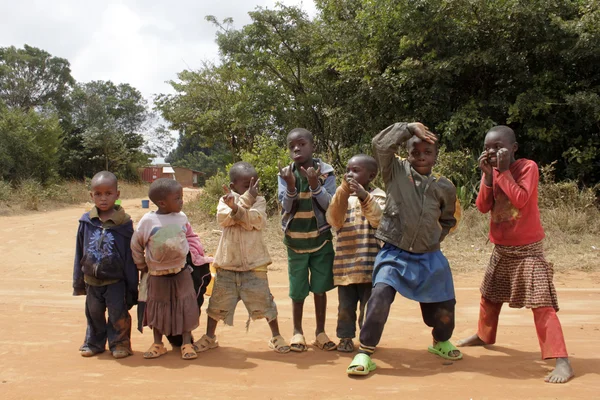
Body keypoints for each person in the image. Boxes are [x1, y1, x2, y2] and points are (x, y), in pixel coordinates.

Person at [457, 125, 574, 384]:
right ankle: (484, 336)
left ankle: (561, 359)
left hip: (528, 251)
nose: (492, 151)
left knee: (542, 304)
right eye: (487, 147)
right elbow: (482, 206)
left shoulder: (527, 167)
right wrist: (487, 177)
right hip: (502, 248)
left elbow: (520, 199)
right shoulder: (493, 171)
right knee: (489, 296)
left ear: (514, 148)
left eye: (498, 147)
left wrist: (504, 172)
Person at [347, 122, 461, 376]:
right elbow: (380, 144)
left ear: (436, 155)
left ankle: (440, 341)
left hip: (430, 255)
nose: (421, 156)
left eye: (427, 152)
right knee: (380, 296)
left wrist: (430, 239)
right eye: (415, 152)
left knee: (444, 307)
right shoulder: (395, 171)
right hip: (394, 252)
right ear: (406, 154)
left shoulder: (445, 187)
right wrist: (408, 128)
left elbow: (447, 220)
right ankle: (365, 351)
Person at [194, 162, 290, 354]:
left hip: (255, 265)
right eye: (247, 186)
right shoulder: (224, 201)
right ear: (232, 186)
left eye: (255, 184)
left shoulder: (259, 201)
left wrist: (239, 207)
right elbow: (224, 219)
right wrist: (238, 206)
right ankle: (210, 337)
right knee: (217, 305)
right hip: (227, 265)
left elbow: (255, 221)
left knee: (265, 303)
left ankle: (276, 336)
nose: (252, 189)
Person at [277, 128, 337, 352]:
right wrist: (291, 185)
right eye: (292, 145)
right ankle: (297, 332)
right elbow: (286, 206)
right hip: (295, 241)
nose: (296, 149)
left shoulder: (326, 172)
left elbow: (329, 205)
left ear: (312, 146)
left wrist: (314, 185)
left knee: (320, 288)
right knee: (298, 290)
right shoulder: (285, 174)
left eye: (301, 144)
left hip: (321, 239)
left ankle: (320, 332)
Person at [131, 178, 199, 360]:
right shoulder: (148, 221)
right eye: (177, 198)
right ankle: (158, 344)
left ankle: (186, 344)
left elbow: (191, 237)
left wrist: (197, 255)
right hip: (157, 274)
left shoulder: (182, 218)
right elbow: (136, 244)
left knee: (186, 306)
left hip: (181, 270)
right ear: (162, 203)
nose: (182, 201)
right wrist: (141, 264)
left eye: (181, 197)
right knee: (157, 308)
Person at [72, 171, 138, 359]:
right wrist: (78, 280)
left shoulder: (124, 224)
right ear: (91, 195)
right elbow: (79, 251)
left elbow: (129, 257)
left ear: (117, 195)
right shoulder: (86, 222)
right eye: (98, 194)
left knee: (118, 313)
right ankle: (94, 343)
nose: (103, 198)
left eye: (108, 193)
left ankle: (120, 344)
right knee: (94, 314)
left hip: (116, 281)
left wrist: (132, 286)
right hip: (92, 280)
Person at [325, 154, 386, 352]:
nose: (350, 174)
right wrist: (343, 191)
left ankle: (367, 340)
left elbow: (379, 220)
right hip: (346, 266)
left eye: (356, 171)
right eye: (348, 170)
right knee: (345, 308)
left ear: (371, 176)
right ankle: (345, 338)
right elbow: (334, 220)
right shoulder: (342, 196)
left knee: (369, 309)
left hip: (371, 266)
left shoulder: (379, 196)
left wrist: (363, 196)